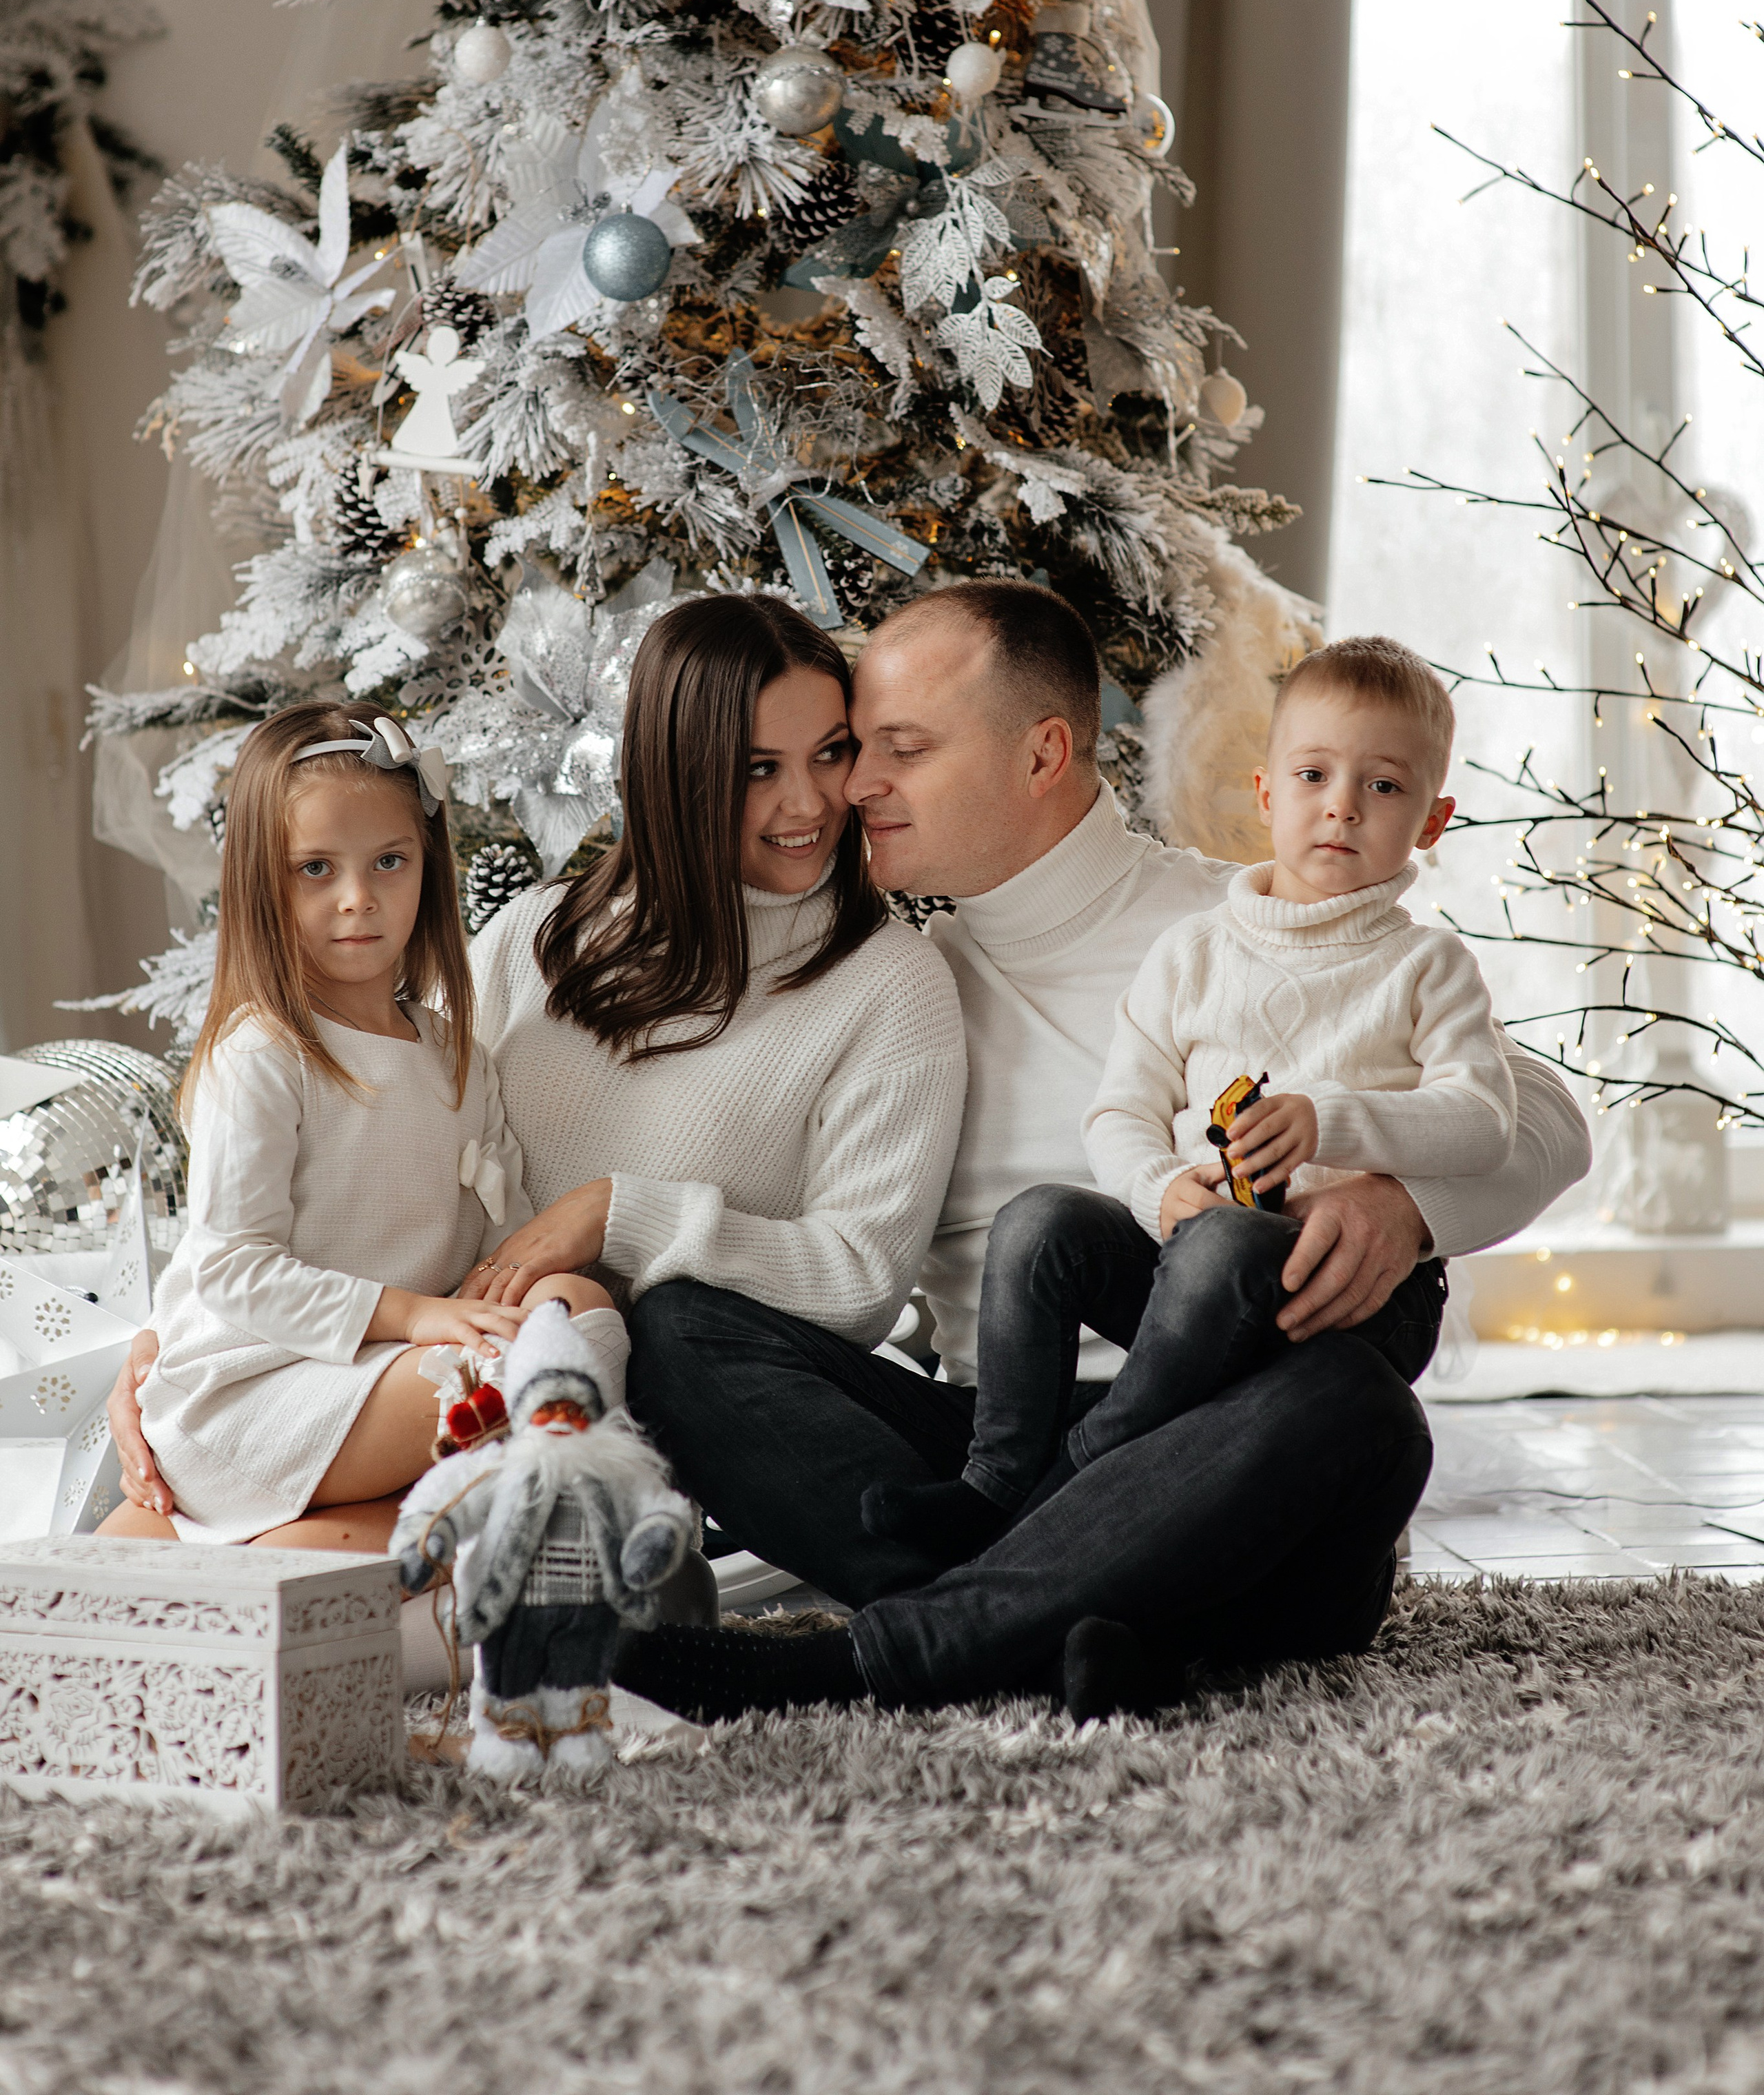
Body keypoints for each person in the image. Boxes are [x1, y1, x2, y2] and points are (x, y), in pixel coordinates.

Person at [609, 580, 1591, 1724]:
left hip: (1226, 1441)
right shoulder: (883, 982)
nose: (855, 785)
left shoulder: (1234, 924)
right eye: (853, 749)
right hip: (998, 1459)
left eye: (902, 749)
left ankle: (919, 1643)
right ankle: (1094, 1618)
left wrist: (1404, 1204)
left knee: (1358, 1406)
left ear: (1042, 753)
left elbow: (1544, 1110)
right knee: (677, 1330)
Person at [107, 596, 968, 1548]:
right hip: (402, 1375)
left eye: (831, 753)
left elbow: (861, 1281)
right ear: (676, 771)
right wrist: (166, 1342)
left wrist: (618, 1213)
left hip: (587, 1410)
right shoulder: (537, 937)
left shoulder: (889, 983)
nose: (807, 803)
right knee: (101, 1579)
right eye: (757, 767)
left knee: (312, 1578)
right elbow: (334, 1171)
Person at [865, 636, 1517, 1563]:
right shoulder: (1194, 948)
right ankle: (995, 1480)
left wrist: (1332, 1123)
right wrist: (1162, 1189)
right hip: (1194, 1268)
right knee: (1041, 1219)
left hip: (1350, 1298)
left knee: (1225, 1243)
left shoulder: (1428, 965)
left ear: (1432, 820)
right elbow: (1119, 1114)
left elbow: (1488, 1119)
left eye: (1382, 786)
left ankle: (1081, 1471)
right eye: (1314, 775)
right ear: (1266, 792)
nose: (1341, 805)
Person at [101, 704, 617, 1551]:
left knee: (575, 1310)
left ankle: (395, 1538)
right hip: (252, 1392)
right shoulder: (262, 1053)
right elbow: (231, 1269)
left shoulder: (457, 1054)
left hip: (377, 1374)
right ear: (262, 883)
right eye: (315, 868)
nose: (358, 898)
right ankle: (455, 1531)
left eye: (389, 861)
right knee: (517, 1365)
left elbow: (506, 1246)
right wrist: (414, 1316)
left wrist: (515, 1296)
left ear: (426, 864)